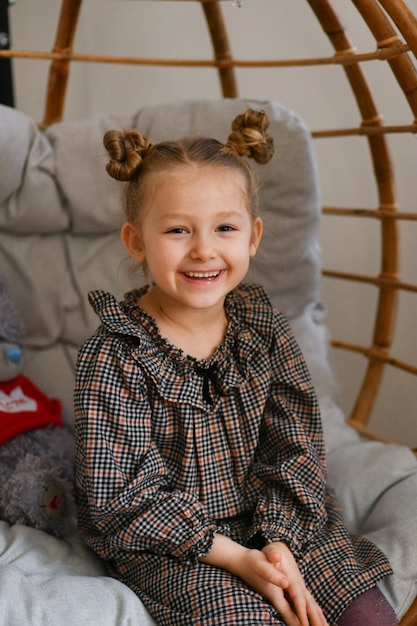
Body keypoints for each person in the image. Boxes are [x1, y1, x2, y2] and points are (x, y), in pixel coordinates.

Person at [74, 109, 398, 625]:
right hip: (174, 543)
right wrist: (235, 557)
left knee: (361, 609)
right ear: (136, 241)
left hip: (272, 516)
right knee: (244, 617)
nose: (204, 249)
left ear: (252, 236)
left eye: (225, 227)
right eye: (178, 230)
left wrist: (279, 546)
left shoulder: (261, 326)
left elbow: (293, 447)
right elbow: (123, 497)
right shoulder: (116, 354)